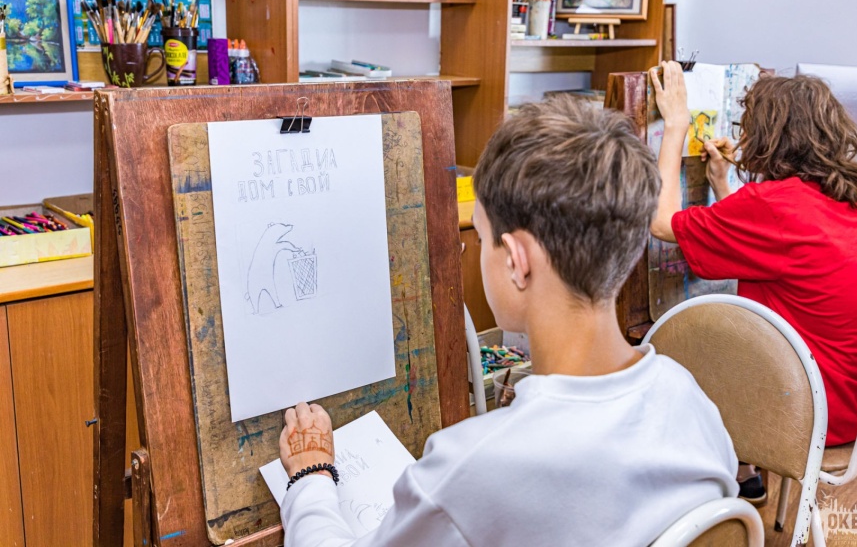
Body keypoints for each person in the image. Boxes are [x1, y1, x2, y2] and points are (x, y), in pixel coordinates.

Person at [277, 97, 738, 546]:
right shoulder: (689, 398)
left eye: (480, 239)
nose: (475, 254)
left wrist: (311, 477)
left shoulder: (474, 468)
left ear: (517, 260)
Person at [650, 61, 857, 502]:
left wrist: (676, 126)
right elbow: (769, 249)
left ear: (768, 137)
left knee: (673, 350)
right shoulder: (851, 203)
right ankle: (744, 474)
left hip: (814, 416)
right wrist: (722, 183)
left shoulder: (773, 206)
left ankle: (723, 481)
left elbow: (661, 222)